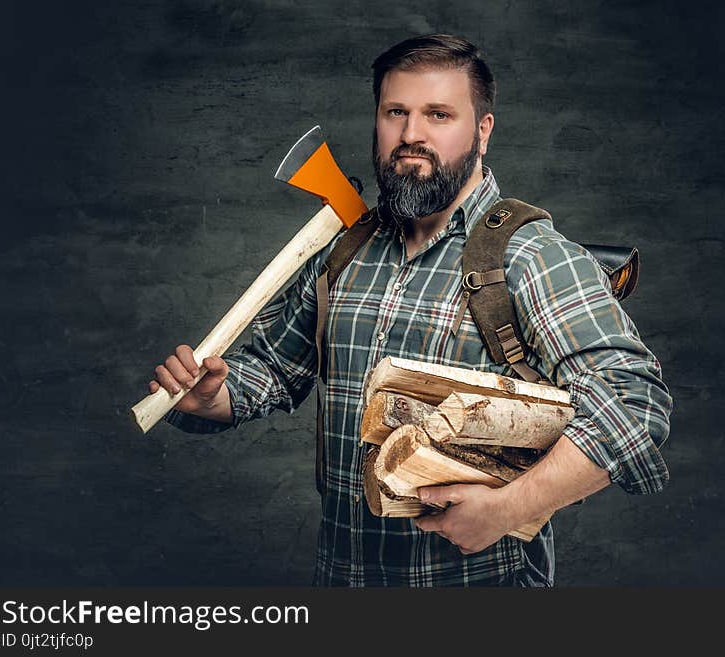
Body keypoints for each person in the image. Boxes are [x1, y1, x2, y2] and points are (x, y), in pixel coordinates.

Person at [150, 34, 672, 586]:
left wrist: (507, 509)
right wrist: (213, 396)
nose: (411, 135)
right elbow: (276, 371)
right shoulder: (343, 248)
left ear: (483, 131)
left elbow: (634, 405)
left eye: (438, 114)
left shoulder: (530, 258)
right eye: (395, 112)